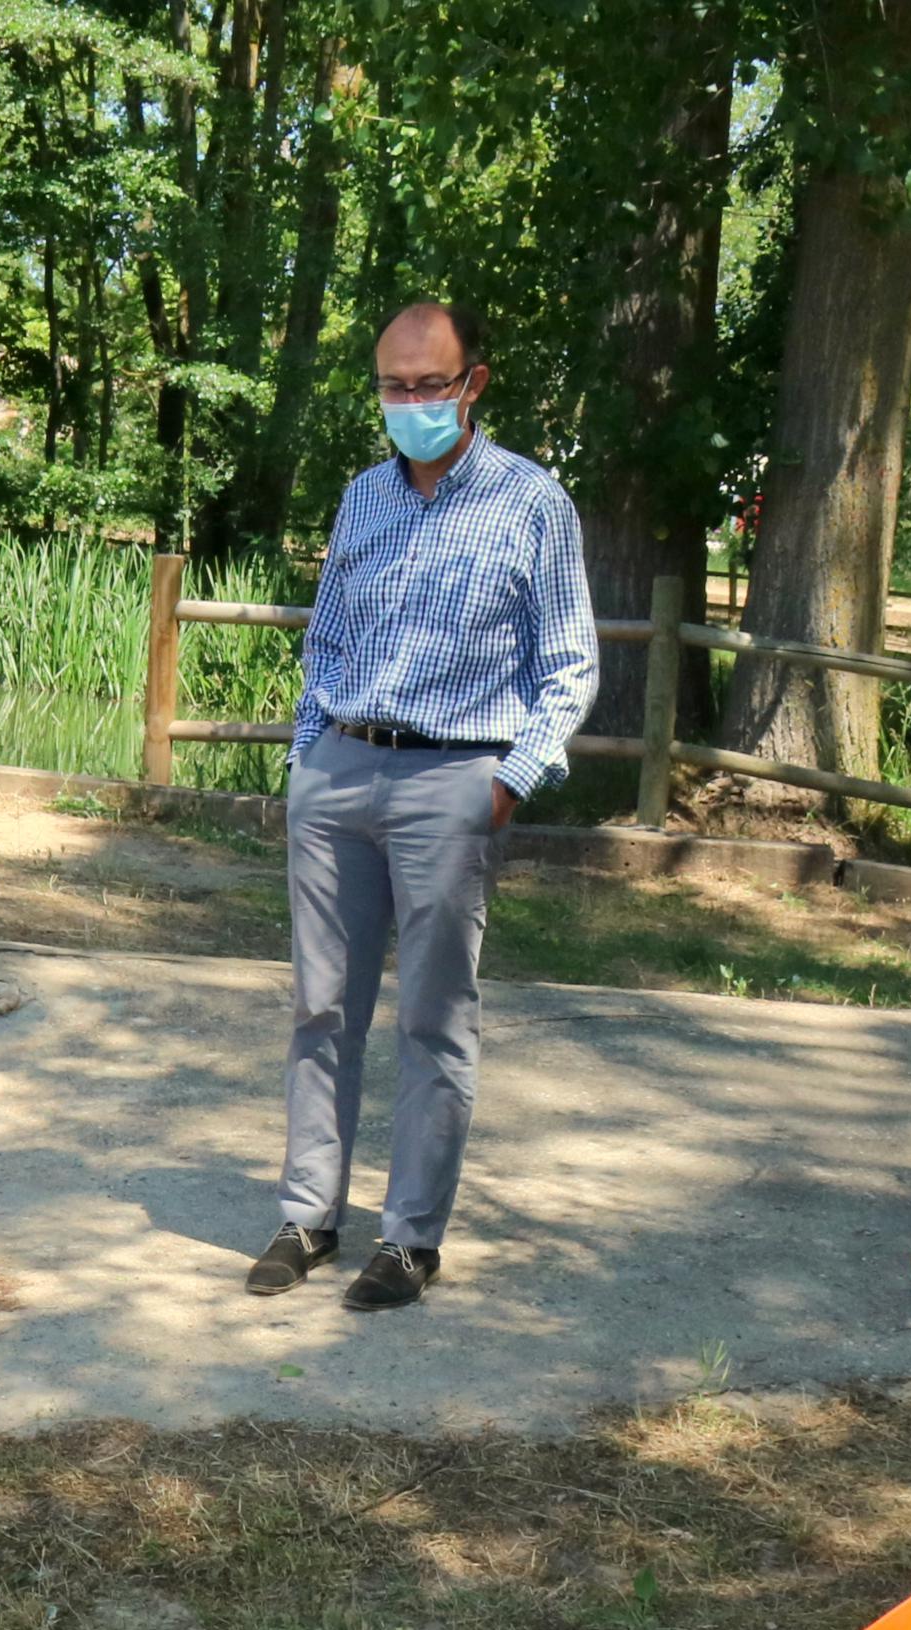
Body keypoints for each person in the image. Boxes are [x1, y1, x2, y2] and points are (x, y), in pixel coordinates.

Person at [248, 299, 597, 1314]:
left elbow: (569, 664)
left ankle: (408, 1239)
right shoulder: (361, 498)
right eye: (391, 387)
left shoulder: (532, 504)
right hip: (340, 772)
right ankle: (309, 1214)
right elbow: (325, 639)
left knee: (432, 1020)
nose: (407, 404)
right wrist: (307, 757)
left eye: (426, 385)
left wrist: (508, 777)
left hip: (453, 778)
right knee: (320, 1006)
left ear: (470, 383)